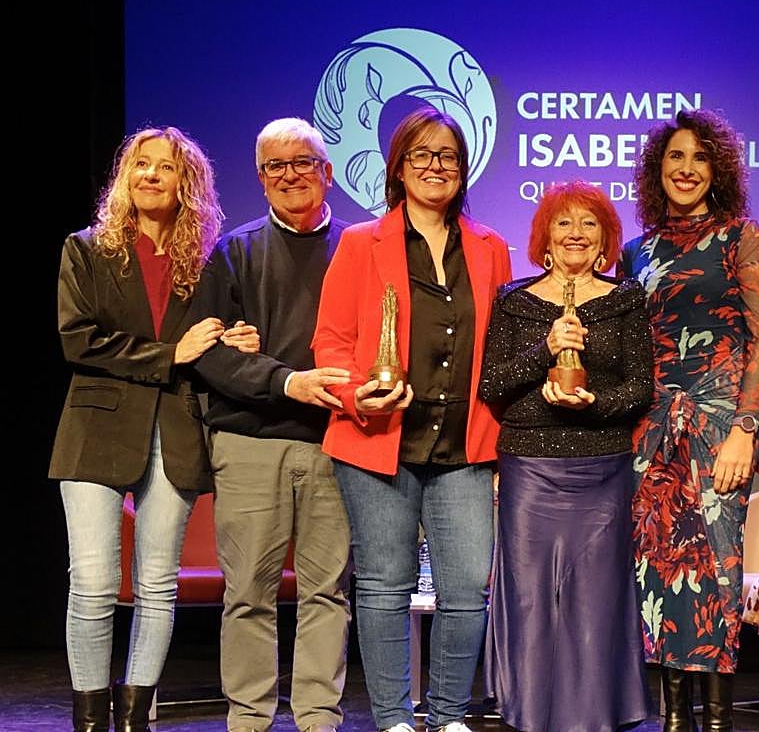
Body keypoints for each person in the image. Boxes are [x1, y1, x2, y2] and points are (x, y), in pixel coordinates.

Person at [312, 106, 512, 732]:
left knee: (463, 592)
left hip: (466, 446)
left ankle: (450, 715)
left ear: (463, 169)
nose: (435, 166)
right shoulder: (358, 243)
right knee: (382, 587)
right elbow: (333, 342)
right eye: (421, 155)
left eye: (448, 156)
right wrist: (354, 397)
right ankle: (396, 719)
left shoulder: (490, 248)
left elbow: (501, 352)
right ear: (398, 167)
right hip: (378, 443)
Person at [52, 127, 230, 732]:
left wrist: (235, 341)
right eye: (140, 165)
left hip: (176, 429)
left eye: (166, 168)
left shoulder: (207, 262)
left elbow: (213, 341)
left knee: (157, 586)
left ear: (188, 184)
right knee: (95, 584)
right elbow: (78, 340)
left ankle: (133, 718)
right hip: (96, 429)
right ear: (125, 178)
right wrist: (169, 355)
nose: (151, 175)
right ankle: (89, 718)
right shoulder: (87, 249)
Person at [190, 117, 353, 732]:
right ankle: (250, 718)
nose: (290, 176)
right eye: (274, 167)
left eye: (302, 162)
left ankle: (317, 716)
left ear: (327, 171)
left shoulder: (359, 247)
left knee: (326, 592)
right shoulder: (233, 251)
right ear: (260, 180)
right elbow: (209, 352)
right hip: (249, 440)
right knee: (249, 595)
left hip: (335, 443)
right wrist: (284, 379)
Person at [620, 108, 759, 732]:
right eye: (675, 158)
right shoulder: (637, 252)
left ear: (718, 170)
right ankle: (673, 717)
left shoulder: (741, 237)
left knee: (715, 568)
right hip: (651, 431)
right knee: (656, 570)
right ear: (658, 171)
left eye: (699, 158)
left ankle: (717, 718)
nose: (686, 169)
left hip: (718, 429)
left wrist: (746, 428)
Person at [480, 181, 653, 732]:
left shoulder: (626, 298)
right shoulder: (513, 299)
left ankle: (592, 715)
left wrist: (593, 401)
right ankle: (530, 713)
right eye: (564, 222)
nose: (576, 232)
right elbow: (493, 383)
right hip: (530, 468)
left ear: (605, 240)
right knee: (531, 599)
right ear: (545, 239)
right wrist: (547, 348)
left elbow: (640, 387)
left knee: (594, 601)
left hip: (602, 468)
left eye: (589, 223)